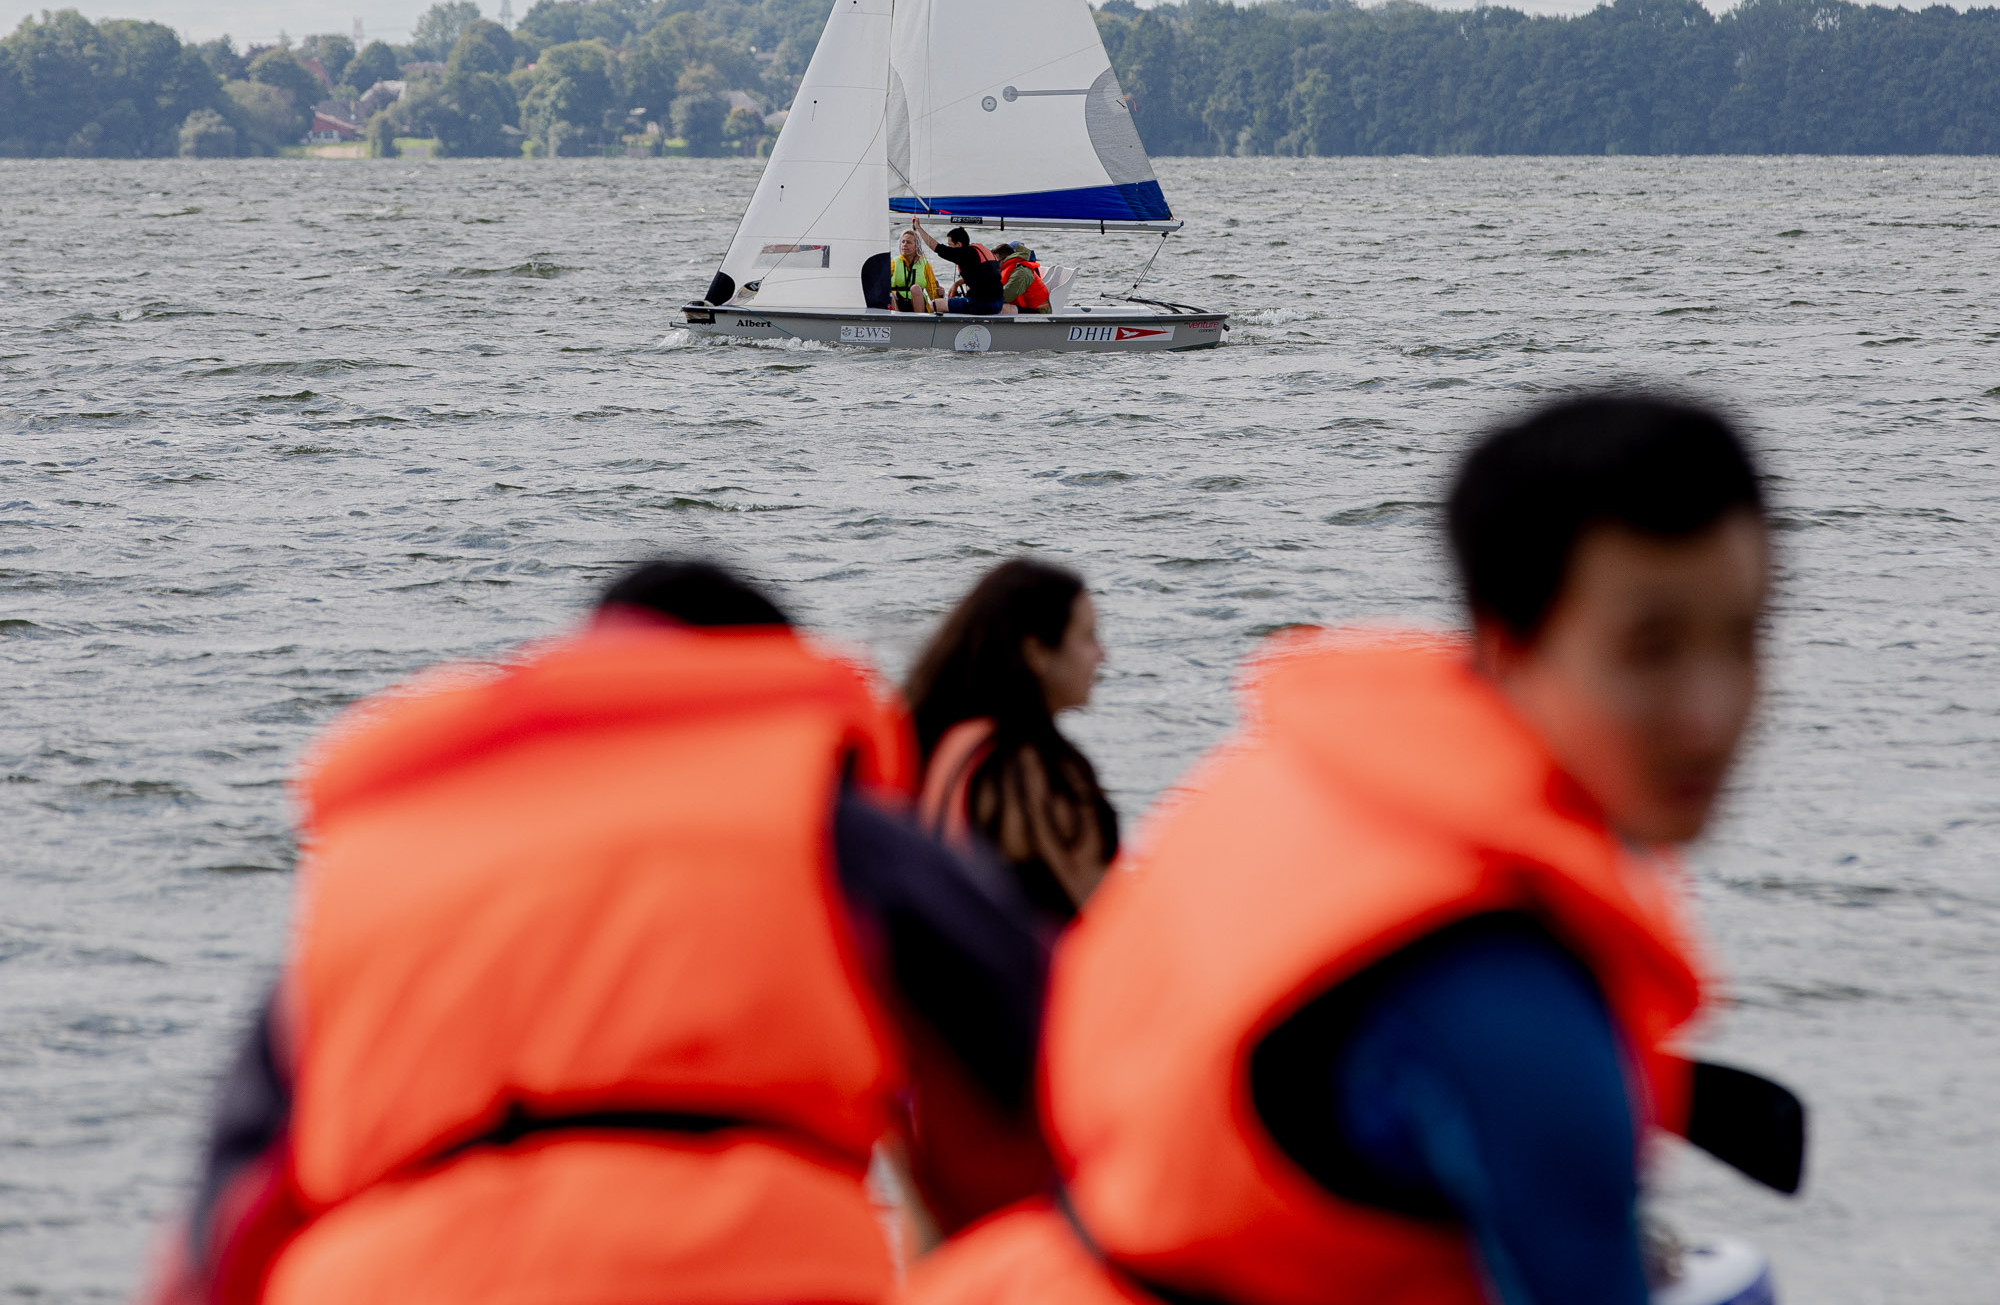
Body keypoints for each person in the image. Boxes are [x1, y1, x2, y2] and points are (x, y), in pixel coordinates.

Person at [908, 393, 1807, 1305]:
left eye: (1746, 637)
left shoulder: (1287, 784)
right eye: (1649, 650)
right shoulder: (1509, 998)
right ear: (1509, 642)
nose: (1710, 710)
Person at [144, 561, 1052, 1305]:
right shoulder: (810, 809)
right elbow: (1040, 1078)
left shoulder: (391, 856)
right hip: (732, 1271)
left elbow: (233, 1218)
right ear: (766, 682)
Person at [906, 560, 1119, 923]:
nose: (1102, 655)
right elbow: (1105, 916)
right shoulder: (1035, 771)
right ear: (1036, 653)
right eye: (1087, 637)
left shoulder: (954, 743)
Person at [913, 222, 1005, 315]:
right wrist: (957, 283)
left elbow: (938, 248)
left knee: (935, 305)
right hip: (998, 304)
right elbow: (982, 275)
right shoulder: (978, 251)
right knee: (952, 302)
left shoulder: (964, 253)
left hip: (982, 304)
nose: (949, 248)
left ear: (959, 245)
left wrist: (919, 228)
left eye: (950, 245)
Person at [891, 228, 941, 313]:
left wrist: (940, 296)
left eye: (909, 242)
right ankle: (896, 320)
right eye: (903, 242)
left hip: (918, 302)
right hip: (898, 303)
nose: (904, 245)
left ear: (916, 246)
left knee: (915, 288)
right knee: (890, 293)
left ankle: (920, 321)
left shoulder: (925, 265)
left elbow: (932, 291)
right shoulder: (894, 263)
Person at [994, 245, 1051, 315]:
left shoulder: (1021, 272)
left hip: (1040, 311)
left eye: (996, 262)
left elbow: (1007, 295)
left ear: (1005, 258)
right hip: (1027, 306)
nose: (994, 266)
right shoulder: (1012, 269)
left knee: (997, 308)